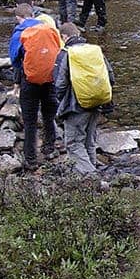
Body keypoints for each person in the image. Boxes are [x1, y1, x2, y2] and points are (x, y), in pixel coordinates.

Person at [53, 23, 114, 175]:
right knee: (89, 141)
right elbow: (110, 76)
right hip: (97, 102)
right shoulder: (95, 51)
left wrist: (62, 102)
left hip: (76, 106)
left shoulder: (67, 54)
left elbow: (60, 84)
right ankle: (91, 176)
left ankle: (92, 178)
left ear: (64, 37)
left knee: (73, 143)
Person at [9, 3, 59, 170]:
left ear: (19, 18)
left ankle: (30, 159)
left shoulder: (19, 32)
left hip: (29, 81)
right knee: (49, 116)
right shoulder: (48, 28)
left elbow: (14, 59)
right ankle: (50, 147)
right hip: (50, 79)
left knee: (30, 121)